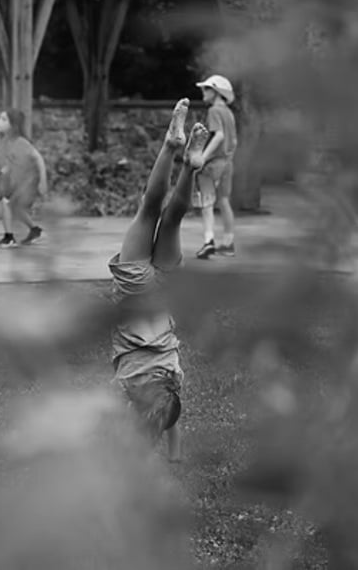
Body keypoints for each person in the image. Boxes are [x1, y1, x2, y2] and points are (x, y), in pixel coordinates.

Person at [108, 97, 209, 461]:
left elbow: (170, 422)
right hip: (135, 292)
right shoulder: (128, 390)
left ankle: (191, 165)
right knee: (149, 210)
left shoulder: (171, 388)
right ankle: (171, 144)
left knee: (172, 219)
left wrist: (175, 457)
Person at [0, 109, 48, 248]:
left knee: (6, 203)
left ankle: (9, 238)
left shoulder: (21, 142)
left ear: (13, 125)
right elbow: (10, 164)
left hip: (29, 182)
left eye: (3, 119)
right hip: (19, 183)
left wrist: (43, 181)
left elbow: (38, 158)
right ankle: (35, 231)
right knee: (16, 209)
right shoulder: (7, 142)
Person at [193, 75, 238, 259]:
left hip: (212, 165)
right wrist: (228, 157)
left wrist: (203, 157)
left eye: (206, 89)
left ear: (216, 91)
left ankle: (208, 241)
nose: (203, 92)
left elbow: (218, 136)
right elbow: (233, 141)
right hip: (227, 163)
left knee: (207, 203)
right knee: (224, 201)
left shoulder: (214, 111)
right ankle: (228, 243)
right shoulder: (228, 113)